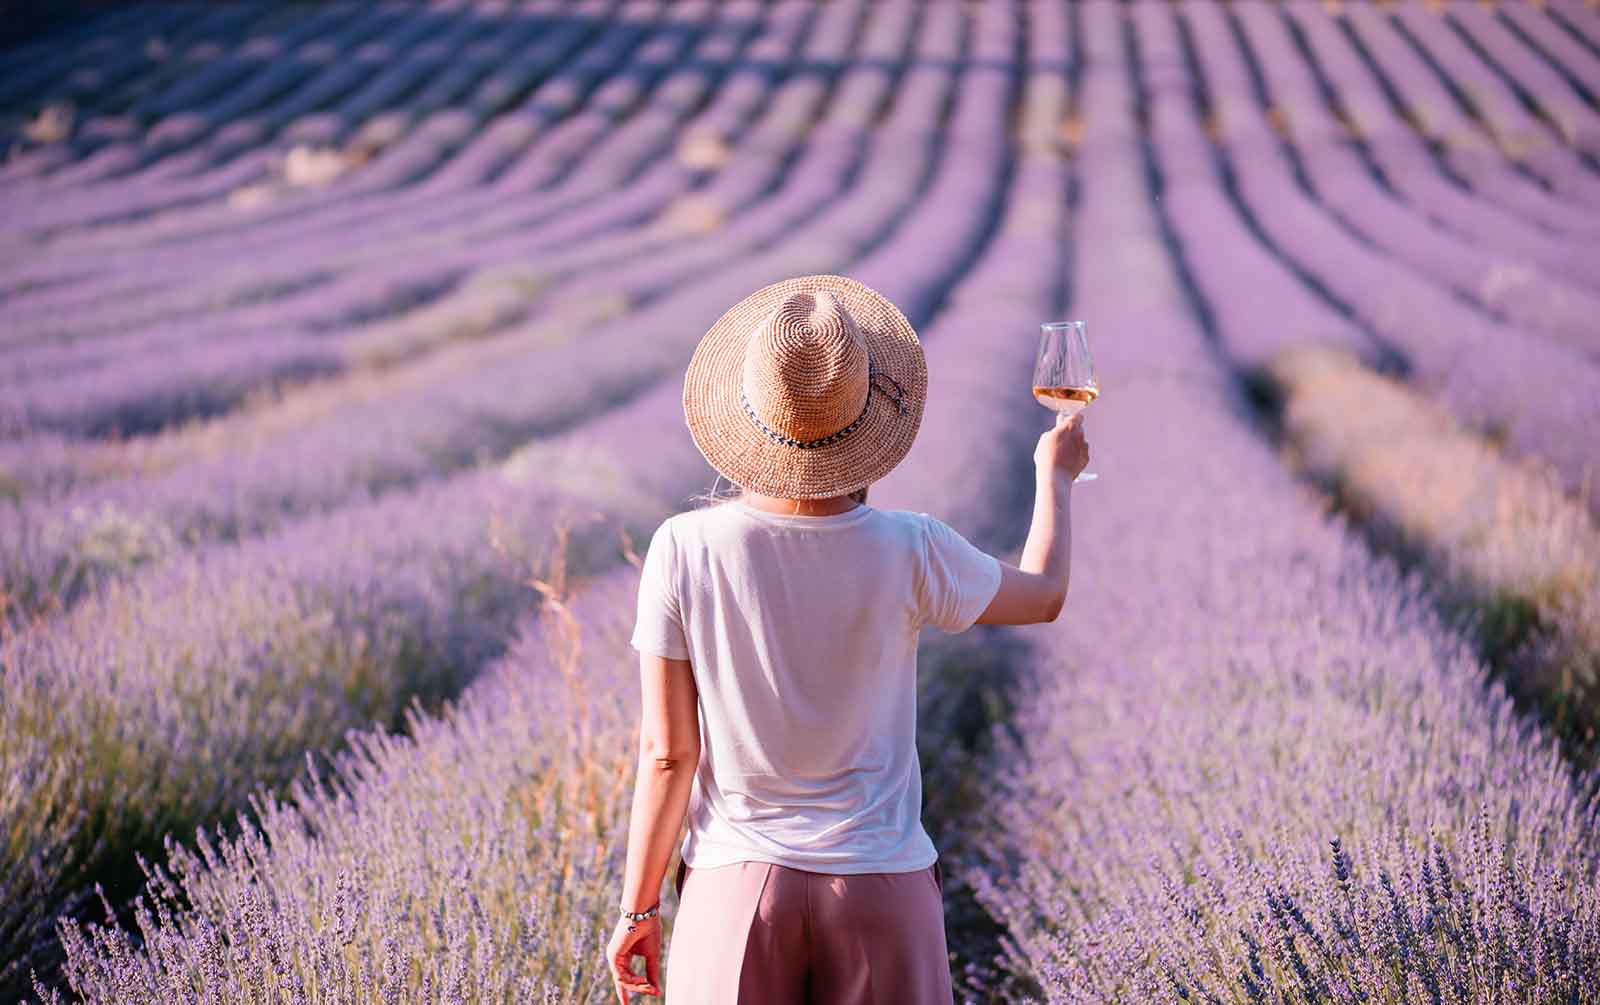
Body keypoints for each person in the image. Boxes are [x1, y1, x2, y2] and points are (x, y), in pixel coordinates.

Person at [604, 274, 1089, 1004]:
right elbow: (1044, 594)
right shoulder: (910, 546)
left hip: (737, 892)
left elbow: (669, 754)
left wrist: (638, 908)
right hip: (880, 887)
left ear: (749, 409)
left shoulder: (684, 547)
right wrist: (1054, 475)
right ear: (865, 412)